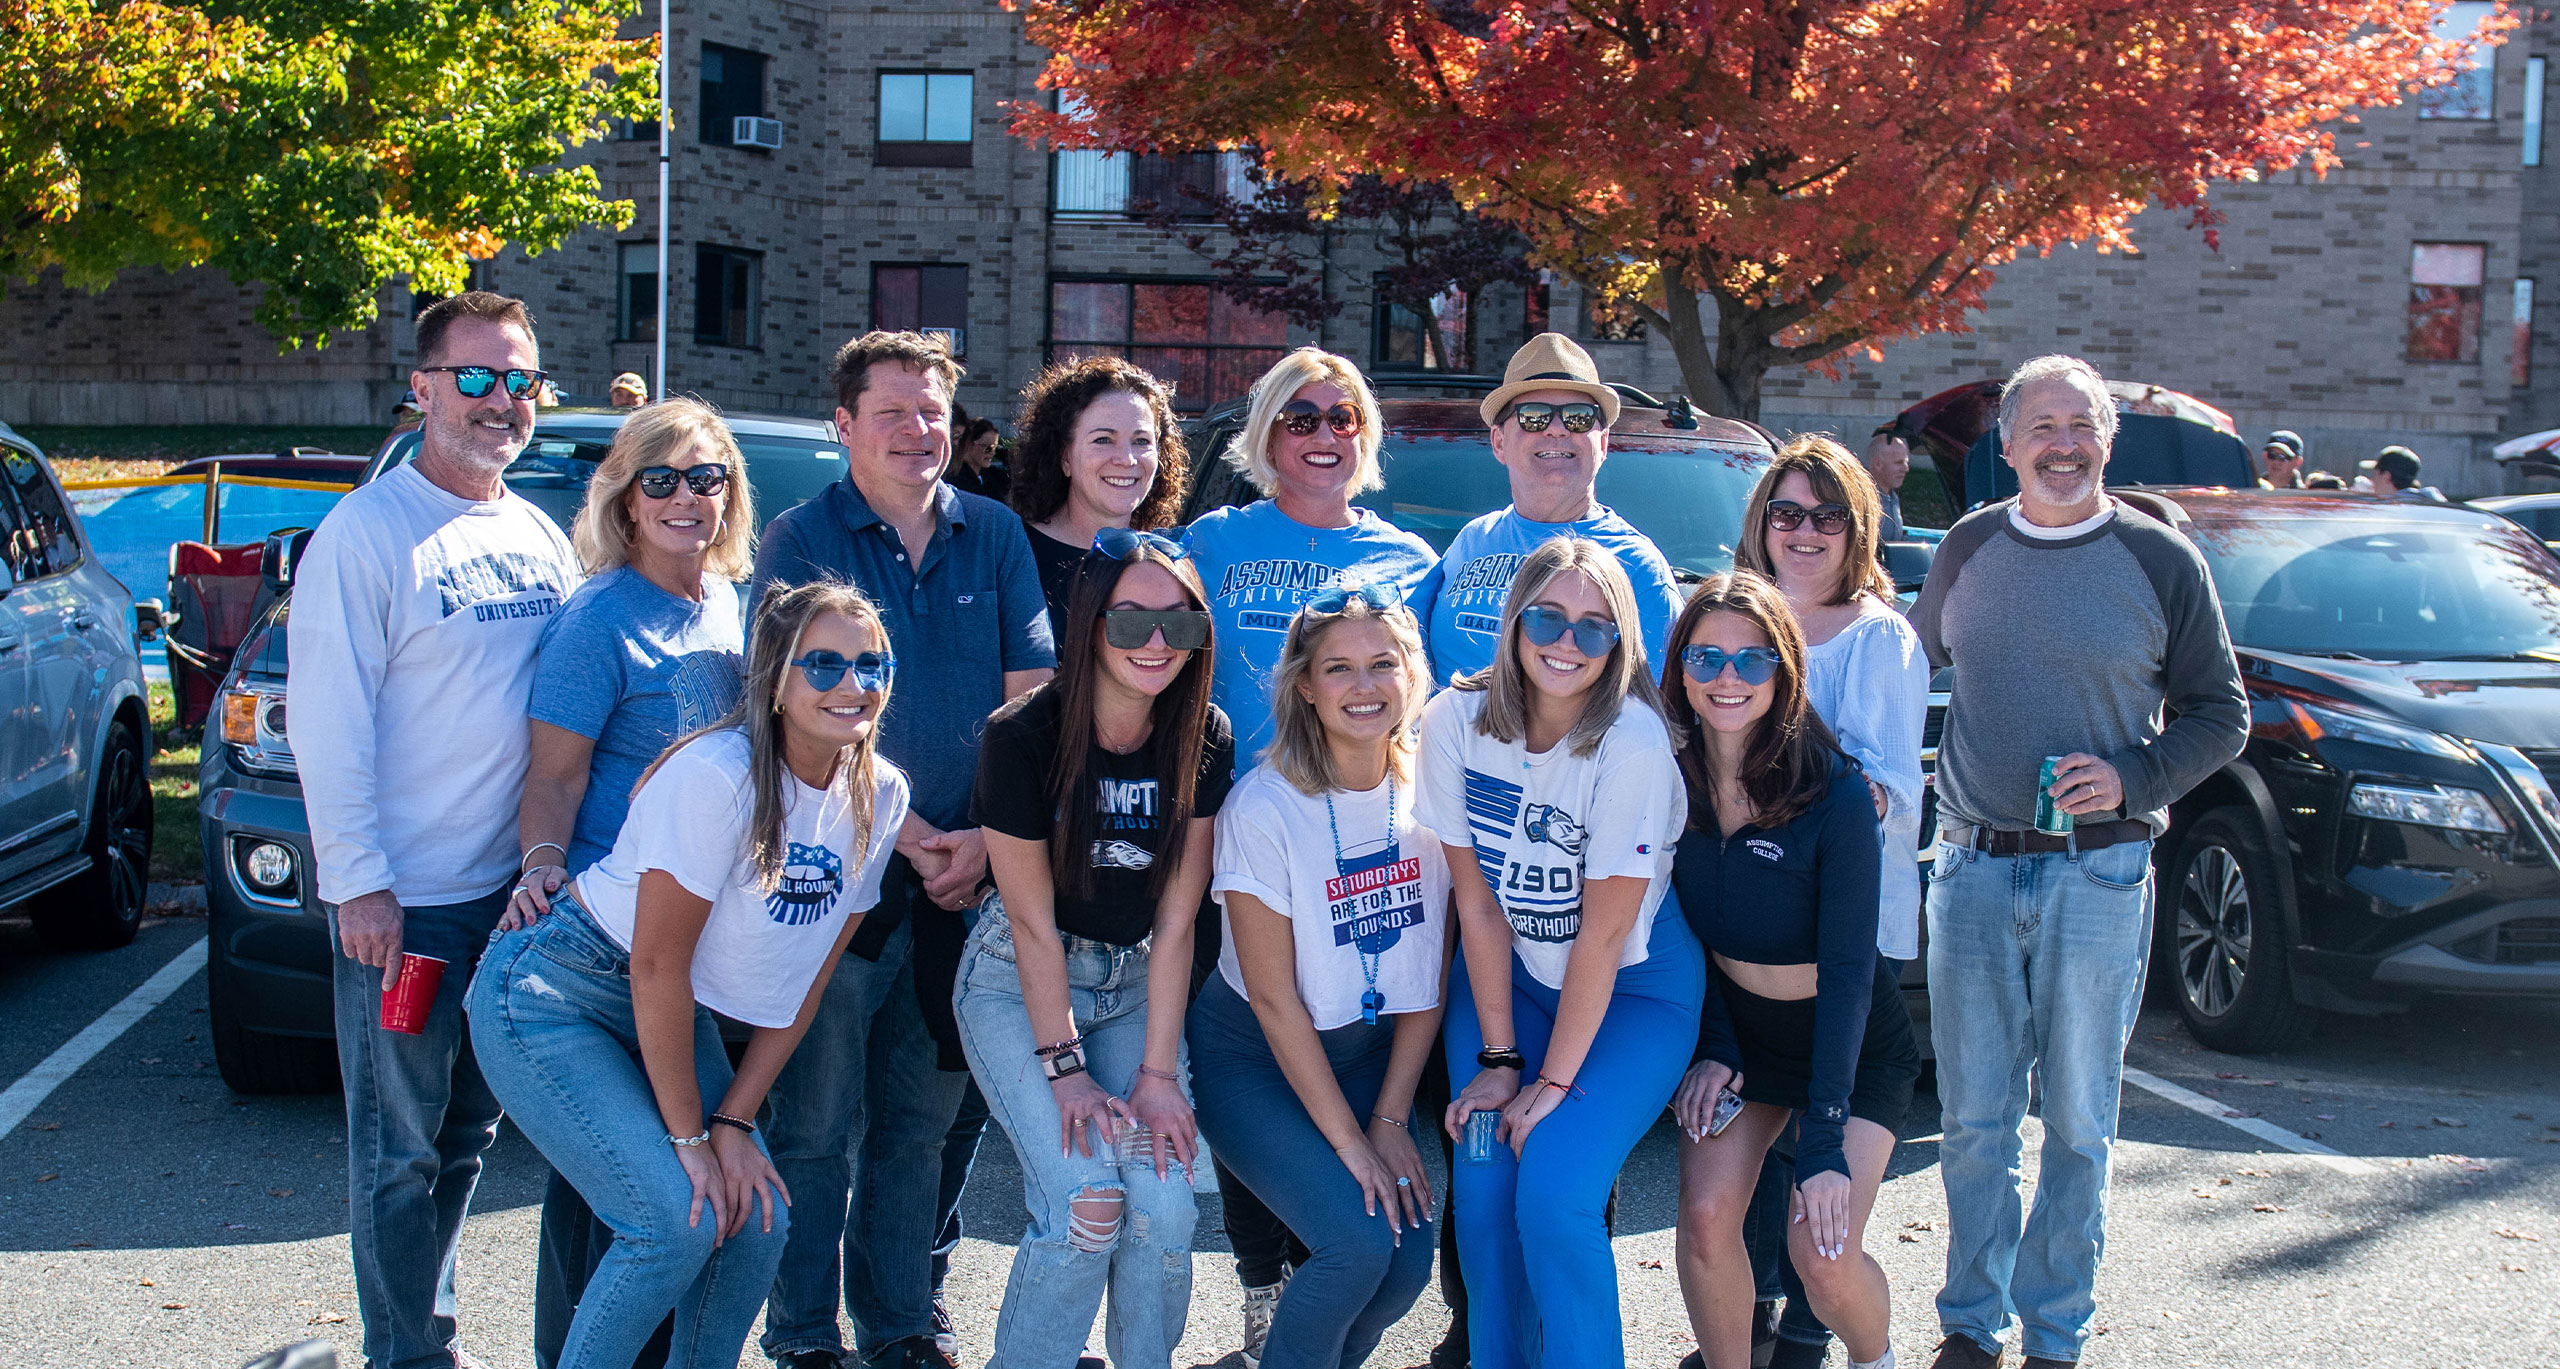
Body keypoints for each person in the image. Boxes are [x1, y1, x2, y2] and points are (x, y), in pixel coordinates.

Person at [468, 581, 910, 1369]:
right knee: (673, 1215)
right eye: (825, 664)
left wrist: (734, 1123)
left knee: (758, 1214)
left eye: (872, 663)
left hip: (666, 1007)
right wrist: (692, 1139)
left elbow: (805, 981)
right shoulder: (717, 776)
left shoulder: (881, 795)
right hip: (556, 993)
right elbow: (656, 964)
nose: (854, 684)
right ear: (775, 679)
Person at [1909, 354, 2246, 1369]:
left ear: (2107, 440)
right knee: (1972, 1121)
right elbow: (1898, 673)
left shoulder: (2159, 559)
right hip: (1969, 870)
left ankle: (2055, 1336)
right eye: (2040, 425)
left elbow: (2221, 714)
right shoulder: (1965, 547)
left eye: (2081, 424)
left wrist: (2136, 775)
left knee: (2077, 1125)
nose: (2062, 443)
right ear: (2003, 446)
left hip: (2097, 875)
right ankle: (1973, 1323)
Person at [750, 331, 1056, 1369]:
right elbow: (786, 711)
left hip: (965, 887)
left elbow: (1031, 702)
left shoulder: (996, 535)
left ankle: (897, 1329)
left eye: (932, 412)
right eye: (893, 412)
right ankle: (802, 1337)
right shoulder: (800, 540)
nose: (917, 431)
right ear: (845, 425)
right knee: (814, 1126)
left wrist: (978, 840)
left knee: (916, 1134)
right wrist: (910, 832)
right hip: (840, 887)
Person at [288, 290, 581, 1369]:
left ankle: (428, 1337)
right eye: (475, 376)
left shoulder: (536, 532)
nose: (501, 400)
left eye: (521, 381)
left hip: (509, 905)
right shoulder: (367, 535)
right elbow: (328, 722)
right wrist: (358, 883)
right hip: (404, 913)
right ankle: (405, 1354)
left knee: (468, 1135)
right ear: (420, 388)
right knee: (398, 1147)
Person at [1183, 345, 1436, 1357]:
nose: (1324, 432)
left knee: (1382, 1245)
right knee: (1338, 1230)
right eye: (1300, 417)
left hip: (1363, 865)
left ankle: (1295, 1330)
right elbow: (1127, 645)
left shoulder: (1410, 562)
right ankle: (1269, 1305)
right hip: (1243, 839)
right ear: (1266, 436)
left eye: (1341, 415)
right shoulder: (1208, 542)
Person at [505, 398, 757, 1369]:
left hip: (707, 945)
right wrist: (541, 864)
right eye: (662, 479)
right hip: (609, 942)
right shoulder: (598, 617)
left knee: (686, 1189)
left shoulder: (735, 603)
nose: (686, 497)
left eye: (706, 477)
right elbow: (554, 776)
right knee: (613, 1196)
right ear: (626, 495)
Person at [1420, 537, 1700, 1369]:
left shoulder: (1633, 742)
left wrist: (1550, 1083)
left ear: (1620, 644)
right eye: (1548, 615)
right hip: (1507, 981)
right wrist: (1502, 1057)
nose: (1567, 641)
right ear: (1514, 620)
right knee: (1480, 1187)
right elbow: (1475, 901)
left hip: (1633, 994)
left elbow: (1606, 935)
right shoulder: (1453, 721)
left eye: (1594, 626)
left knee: (1554, 1191)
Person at [956, 531, 1231, 1368]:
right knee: (1088, 1200)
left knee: (1166, 1205)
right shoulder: (1023, 735)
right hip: (1020, 981)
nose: (1157, 643)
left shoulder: (1203, 733)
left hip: (1139, 983)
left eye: (1179, 625)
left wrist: (1155, 1076)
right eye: (1132, 621)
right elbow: (1033, 923)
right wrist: (1065, 1067)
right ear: (1088, 623)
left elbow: (1180, 921)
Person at [1662, 571, 1917, 1369]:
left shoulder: (1835, 794)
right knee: (1707, 1219)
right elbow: (1678, 934)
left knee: (1825, 1260)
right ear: (1680, 672)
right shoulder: (1667, 779)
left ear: (1785, 671)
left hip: (1848, 1042)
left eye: (1752, 660)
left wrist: (1826, 1138)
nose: (1727, 679)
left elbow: (1847, 972)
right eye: (1705, 659)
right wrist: (1716, 1041)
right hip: (1744, 1037)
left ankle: (1874, 1358)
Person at [1728, 436, 1929, 1369]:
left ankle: (1814, 1333)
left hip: (1845, 933)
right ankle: (1767, 1320)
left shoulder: (1879, 635)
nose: (1803, 532)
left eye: (1826, 516)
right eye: (1786, 512)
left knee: (1823, 1118)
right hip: (1743, 929)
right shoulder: (1737, 626)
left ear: (1858, 529)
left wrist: (1774, 799)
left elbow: (1885, 786)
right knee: (1761, 1135)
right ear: (1760, 522)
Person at [1421, 331, 1682, 681]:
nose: (1557, 430)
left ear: (1603, 444)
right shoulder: (1471, 541)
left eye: (1578, 417)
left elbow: (1657, 710)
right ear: (1498, 442)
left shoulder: (1638, 567)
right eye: (1534, 416)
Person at [1011, 356, 1191, 624]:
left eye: (1141, 441)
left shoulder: (1169, 562)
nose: (1127, 459)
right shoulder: (1013, 555)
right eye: (1103, 440)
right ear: (1064, 456)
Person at [947, 404, 1013, 503]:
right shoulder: (957, 478)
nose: (993, 453)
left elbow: (1018, 472)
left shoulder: (991, 475)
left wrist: (1001, 452)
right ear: (969, 444)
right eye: (988, 448)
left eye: (995, 447)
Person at [1862, 427, 1911, 542]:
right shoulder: (1861, 501)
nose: (1906, 468)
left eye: (1906, 463)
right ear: (1878, 464)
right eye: (1899, 462)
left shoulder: (1892, 498)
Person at [2362, 445, 2447, 502]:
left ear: (2386, 477)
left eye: (2375, 474)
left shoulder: (2390, 509)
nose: (2372, 480)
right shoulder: (2431, 503)